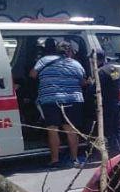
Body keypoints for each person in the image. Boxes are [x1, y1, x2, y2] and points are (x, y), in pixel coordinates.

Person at [29, 39, 88, 167]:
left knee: (52, 129)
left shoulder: (44, 60)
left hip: (50, 99)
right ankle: (74, 159)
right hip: (72, 99)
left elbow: (32, 74)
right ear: (70, 52)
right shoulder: (76, 64)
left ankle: (55, 160)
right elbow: (83, 82)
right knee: (70, 130)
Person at [94, 49, 120, 154]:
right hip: (115, 102)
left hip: (107, 105)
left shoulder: (101, 72)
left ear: (96, 60)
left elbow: (94, 88)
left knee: (109, 131)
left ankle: (113, 153)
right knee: (117, 129)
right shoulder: (113, 68)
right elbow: (115, 82)